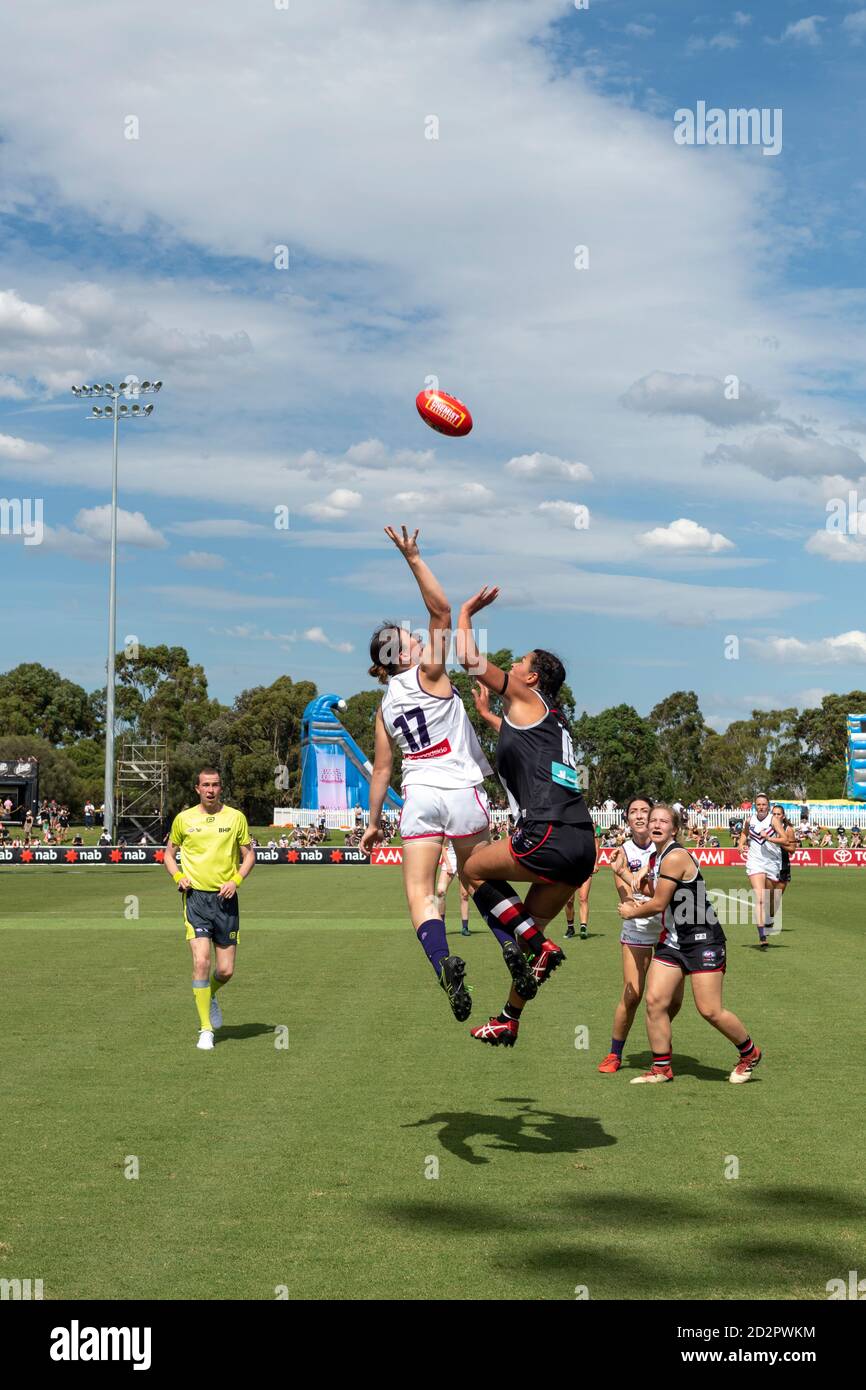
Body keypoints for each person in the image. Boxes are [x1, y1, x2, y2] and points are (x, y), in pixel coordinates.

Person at [360, 526, 492, 1022]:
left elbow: (382, 769)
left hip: (416, 796)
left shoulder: (384, 706)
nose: (419, 638)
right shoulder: (429, 672)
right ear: (402, 655)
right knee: (481, 880)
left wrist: (374, 822)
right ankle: (517, 944)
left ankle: (442, 963)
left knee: (420, 895)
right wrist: (413, 557)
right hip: (459, 789)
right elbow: (440, 610)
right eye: (411, 638)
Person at [458, 588, 596, 1048]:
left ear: (531, 678)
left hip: (547, 833)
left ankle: (542, 948)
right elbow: (519, 740)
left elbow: (468, 658)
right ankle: (508, 1018)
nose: (512, 667)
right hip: (581, 846)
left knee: (472, 866)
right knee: (522, 936)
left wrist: (465, 613)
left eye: (518, 663)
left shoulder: (526, 697)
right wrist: (485, 715)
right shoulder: (553, 721)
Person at [619, 804, 762, 1084]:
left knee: (710, 1010)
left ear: (675, 829)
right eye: (652, 821)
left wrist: (631, 912)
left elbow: (658, 903)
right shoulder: (656, 858)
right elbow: (652, 890)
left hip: (703, 940)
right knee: (654, 1001)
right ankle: (661, 1068)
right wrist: (624, 872)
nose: (656, 824)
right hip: (673, 941)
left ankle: (750, 1052)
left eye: (663, 821)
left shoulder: (675, 857)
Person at [163, 768, 255, 1051]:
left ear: (220, 788)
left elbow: (249, 854)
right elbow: (168, 853)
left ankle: (210, 993)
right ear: (197, 788)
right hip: (196, 900)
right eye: (206, 785)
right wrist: (179, 877)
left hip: (225, 900)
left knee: (225, 971)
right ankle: (206, 1030)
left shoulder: (236, 818)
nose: (211, 790)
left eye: (215, 785)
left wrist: (236, 880)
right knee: (202, 963)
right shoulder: (184, 819)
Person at [597, 795, 685, 1074]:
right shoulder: (621, 852)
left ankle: (659, 1048)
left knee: (672, 1001)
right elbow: (627, 898)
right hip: (637, 929)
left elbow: (651, 895)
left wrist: (641, 898)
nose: (639, 816)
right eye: (633, 811)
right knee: (633, 994)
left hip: (670, 932)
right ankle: (614, 1053)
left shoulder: (669, 850)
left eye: (644, 811)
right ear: (627, 819)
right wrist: (627, 880)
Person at [738, 793, 787, 948]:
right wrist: (741, 843)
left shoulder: (773, 820)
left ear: (768, 806)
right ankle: (762, 935)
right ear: (755, 805)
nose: (761, 807)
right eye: (758, 804)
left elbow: (785, 839)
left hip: (772, 862)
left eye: (764, 804)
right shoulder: (749, 820)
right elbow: (744, 833)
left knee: (769, 896)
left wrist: (769, 838)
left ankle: (767, 919)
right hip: (755, 861)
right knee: (759, 897)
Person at [437, 838, 470, 938]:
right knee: (440, 891)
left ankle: (465, 927)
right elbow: (442, 845)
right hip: (450, 859)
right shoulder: (450, 826)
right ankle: (441, 926)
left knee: (464, 895)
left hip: (465, 860)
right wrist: (447, 864)